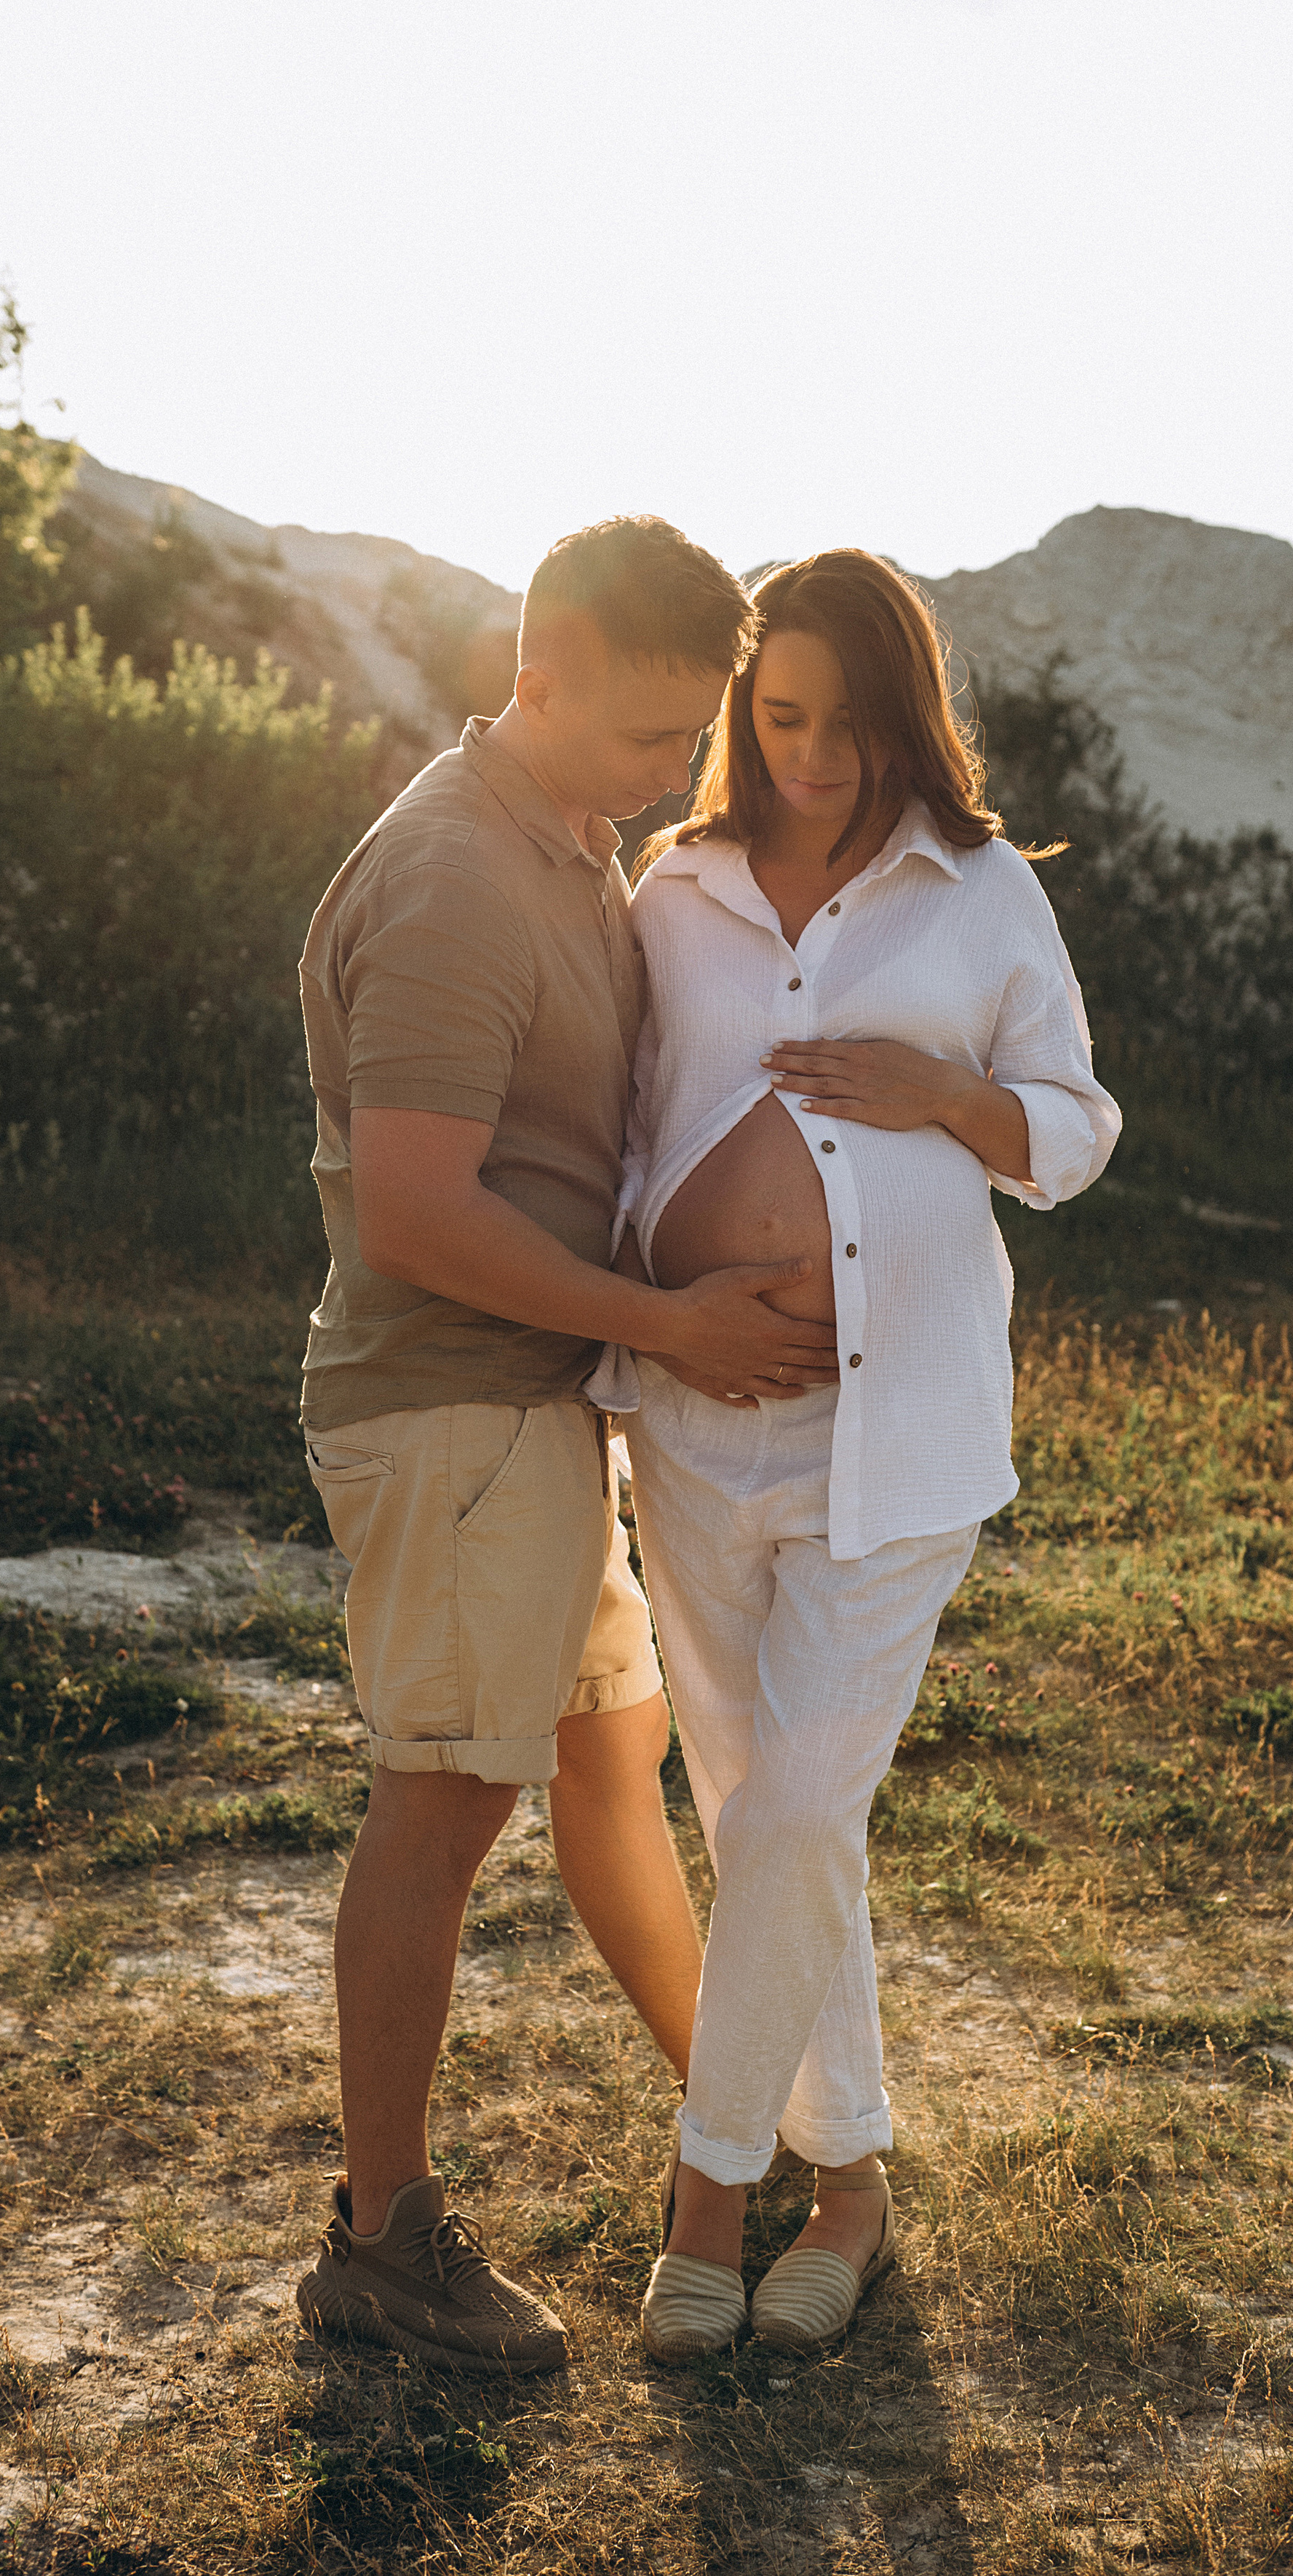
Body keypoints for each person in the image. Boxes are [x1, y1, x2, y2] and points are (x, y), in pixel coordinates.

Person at [292, 516, 842, 2374]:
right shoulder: (451, 877)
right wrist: (676, 1324)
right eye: (636, 741)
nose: (662, 781)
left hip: (539, 1408)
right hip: (448, 1403)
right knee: (441, 1806)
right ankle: (381, 2241)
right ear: (532, 680)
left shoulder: (568, 848)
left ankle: (744, 2123)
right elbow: (416, 1216)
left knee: (615, 1769)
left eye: (684, 745)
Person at [599, 549, 1121, 2358]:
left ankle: (706, 2198)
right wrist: (649, 1322)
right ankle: (855, 2188)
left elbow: (1070, 1128)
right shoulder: (677, 888)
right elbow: (621, 1122)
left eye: (843, 717)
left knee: (803, 1811)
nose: (809, 755)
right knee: (765, 1830)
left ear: (905, 710)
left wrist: (946, 1098)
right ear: (745, 711)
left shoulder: (977, 894)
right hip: (687, 1429)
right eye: (779, 714)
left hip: (888, 1435)